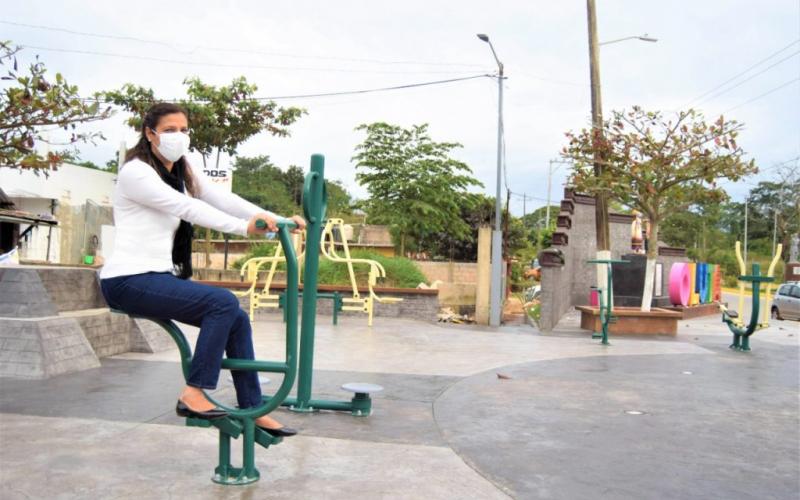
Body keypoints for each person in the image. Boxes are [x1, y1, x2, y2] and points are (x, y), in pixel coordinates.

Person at [99, 102, 305, 437]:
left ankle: (252, 407)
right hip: (126, 280)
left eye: (183, 129)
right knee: (221, 302)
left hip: (155, 276)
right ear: (150, 134)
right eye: (169, 130)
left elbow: (222, 198)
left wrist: (275, 220)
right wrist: (244, 228)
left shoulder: (183, 169)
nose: (178, 136)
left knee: (235, 318)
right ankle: (194, 392)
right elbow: (186, 207)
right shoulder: (136, 172)